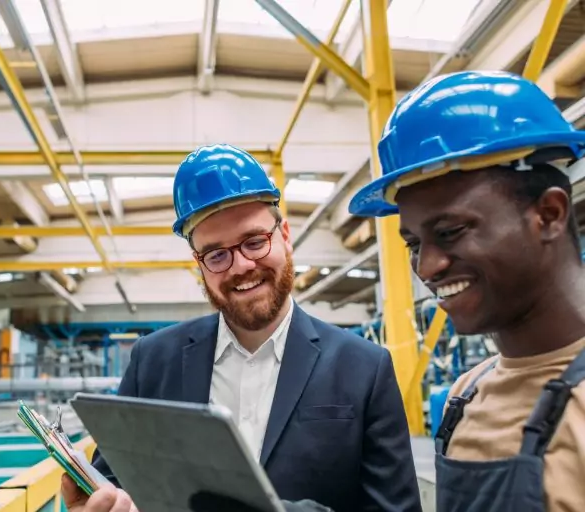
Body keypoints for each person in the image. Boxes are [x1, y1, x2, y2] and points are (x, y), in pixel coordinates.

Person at [61, 144, 422, 512]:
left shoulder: (364, 368)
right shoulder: (152, 362)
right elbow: (116, 483)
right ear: (198, 263)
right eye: (217, 255)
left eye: (254, 242)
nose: (240, 267)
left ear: (284, 235)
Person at [347, 70, 585, 511]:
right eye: (414, 244)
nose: (427, 267)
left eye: (451, 231)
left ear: (549, 215)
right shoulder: (465, 395)